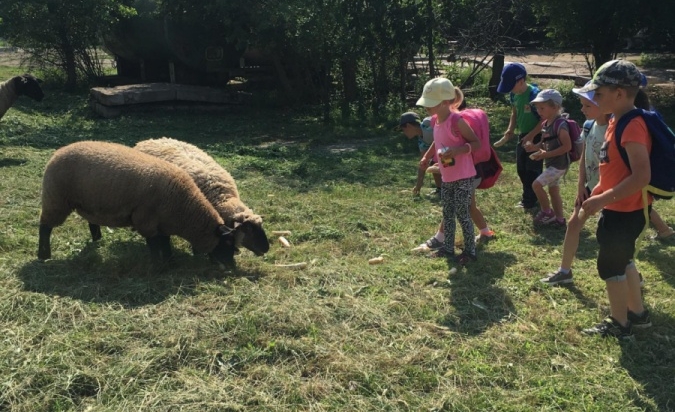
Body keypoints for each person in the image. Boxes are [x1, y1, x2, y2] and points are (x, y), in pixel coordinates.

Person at [577, 59, 652, 339]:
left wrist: (602, 198)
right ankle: (638, 313)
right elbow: (616, 168)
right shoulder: (615, 121)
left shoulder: (632, 126)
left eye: (599, 93)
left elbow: (641, 176)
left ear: (619, 94)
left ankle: (620, 324)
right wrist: (598, 192)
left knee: (610, 266)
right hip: (618, 205)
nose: (594, 98)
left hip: (625, 210)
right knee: (624, 260)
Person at [540, 82, 610, 284]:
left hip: (610, 191)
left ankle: (630, 272)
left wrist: (601, 193)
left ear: (603, 104)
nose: (582, 109)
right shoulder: (588, 127)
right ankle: (565, 271)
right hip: (590, 189)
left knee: (612, 237)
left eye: (587, 105)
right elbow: (583, 159)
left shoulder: (614, 129)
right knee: (573, 224)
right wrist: (581, 187)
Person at [416, 78, 481, 266]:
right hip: (447, 176)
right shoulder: (436, 121)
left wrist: (458, 151)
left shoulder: (457, 121)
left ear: (445, 102)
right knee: (447, 213)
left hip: (463, 176)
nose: (427, 108)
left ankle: (470, 251)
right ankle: (447, 248)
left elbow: (476, 143)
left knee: (462, 212)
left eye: (431, 103)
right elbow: (437, 141)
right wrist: (427, 156)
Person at [494, 63, 543, 209]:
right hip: (523, 135)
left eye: (511, 85)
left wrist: (531, 135)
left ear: (521, 81)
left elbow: (544, 120)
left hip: (536, 136)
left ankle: (530, 200)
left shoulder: (534, 95)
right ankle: (529, 195)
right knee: (521, 168)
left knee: (532, 169)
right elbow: (514, 113)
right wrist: (510, 130)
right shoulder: (513, 94)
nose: (509, 89)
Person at [526, 89, 571, 226]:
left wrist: (546, 155)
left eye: (542, 108)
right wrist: (534, 148)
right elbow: (544, 144)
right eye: (537, 108)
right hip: (552, 163)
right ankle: (559, 219)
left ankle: (547, 212)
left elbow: (567, 146)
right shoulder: (546, 124)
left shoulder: (560, 125)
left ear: (555, 107)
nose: (539, 111)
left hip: (559, 165)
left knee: (536, 185)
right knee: (553, 191)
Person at [399, 111, 442, 196]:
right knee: (432, 163)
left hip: (453, 149)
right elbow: (423, 163)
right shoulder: (422, 141)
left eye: (403, 130)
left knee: (435, 162)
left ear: (409, 126)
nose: (404, 133)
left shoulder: (428, 123)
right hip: (441, 153)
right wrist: (418, 186)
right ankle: (440, 189)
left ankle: (450, 189)